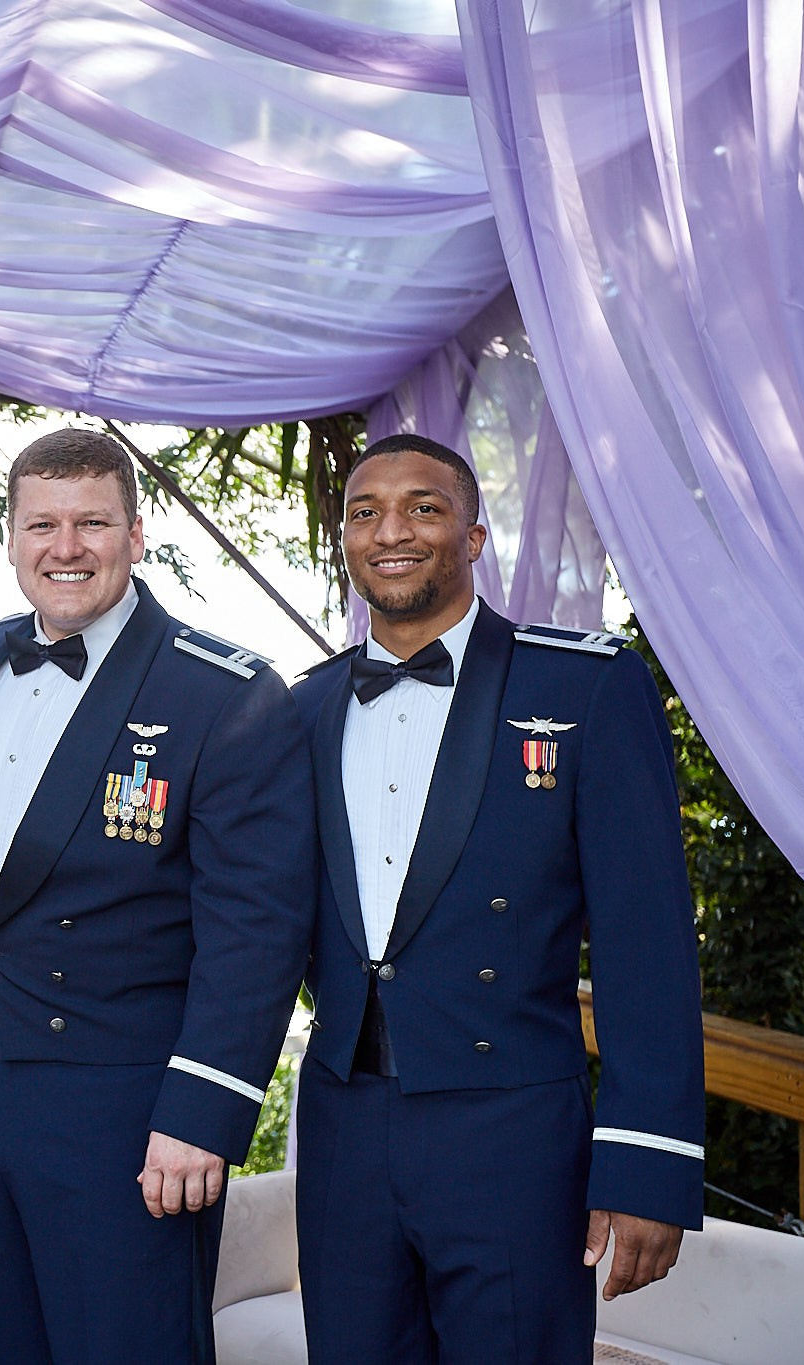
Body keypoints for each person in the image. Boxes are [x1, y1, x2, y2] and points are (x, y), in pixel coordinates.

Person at [291, 433, 704, 1364]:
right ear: (346, 539)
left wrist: (649, 1159)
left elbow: (646, 943)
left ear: (474, 536)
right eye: (365, 512)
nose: (391, 531)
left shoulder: (585, 685)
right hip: (344, 1126)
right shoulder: (303, 707)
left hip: (512, 1130)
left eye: (423, 508)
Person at [0, 427, 316, 1365]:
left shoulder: (225, 693)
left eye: (93, 523)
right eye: (43, 524)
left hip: (130, 1109)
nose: (66, 547)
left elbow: (258, 928)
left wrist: (201, 1112)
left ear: (136, 535)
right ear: (12, 537)